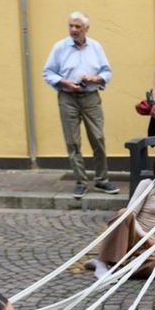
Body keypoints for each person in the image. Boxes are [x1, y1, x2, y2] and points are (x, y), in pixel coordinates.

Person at [42, 11, 118, 199]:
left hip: (91, 97)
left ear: (86, 28)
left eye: (78, 26)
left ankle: (101, 179)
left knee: (98, 138)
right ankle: (81, 182)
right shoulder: (59, 47)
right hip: (67, 98)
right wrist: (64, 82)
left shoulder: (96, 47)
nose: (73, 30)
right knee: (73, 142)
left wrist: (95, 78)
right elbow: (48, 72)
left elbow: (107, 71)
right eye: (71, 26)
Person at [89, 152, 155, 280]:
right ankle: (102, 262)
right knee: (123, 213)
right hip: (135, 236)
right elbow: (130, 213)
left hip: (151, 246)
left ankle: (117, 269)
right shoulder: (147, 185)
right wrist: (145, 237)